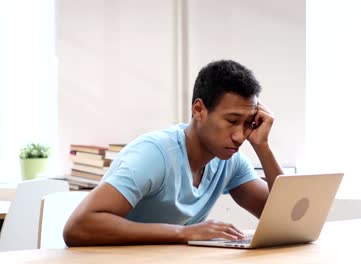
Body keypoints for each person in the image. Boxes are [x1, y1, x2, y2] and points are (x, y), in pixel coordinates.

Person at [63, 60, 283, 246]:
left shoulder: (230, 161)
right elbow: (78, 226)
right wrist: (184, 233)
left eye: (248, 124)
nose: (239, 136)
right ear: (198, 110)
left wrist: (262, 147)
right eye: (232, 121)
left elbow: (282, 219)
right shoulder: (153, 155)